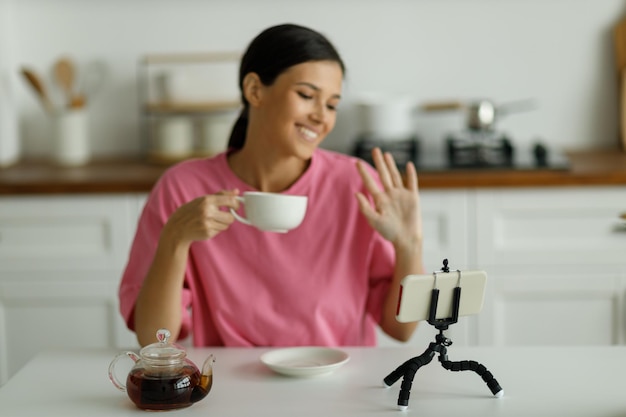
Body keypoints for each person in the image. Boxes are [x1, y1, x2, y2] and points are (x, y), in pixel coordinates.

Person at [119, 23, 425, 348]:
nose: (322, 117)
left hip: (338, 384)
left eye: (332, 104)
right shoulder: (183, 188)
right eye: (307, 96)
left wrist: (410, 244)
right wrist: (175, 240)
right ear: (254, 90)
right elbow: (154, 340)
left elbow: (401, 330)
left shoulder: (357, 184)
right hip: (232, 386)